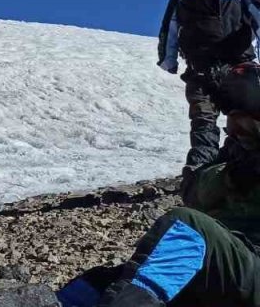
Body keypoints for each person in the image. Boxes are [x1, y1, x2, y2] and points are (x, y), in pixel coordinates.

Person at [57, 67, 260, 307]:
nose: (236, 136)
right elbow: (193, 192)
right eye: (231, 130)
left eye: (245, 130)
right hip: (224, 275)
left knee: (187, 226)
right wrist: (205, 123)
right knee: (100, 282)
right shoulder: (234, 156)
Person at [157, 0, 260, 177]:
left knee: (247, 119)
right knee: (202, 119)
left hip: (238, 68)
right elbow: (170, 28)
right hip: (200, 71)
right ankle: (199, 173)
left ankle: (246, 166)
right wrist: (168, 60)